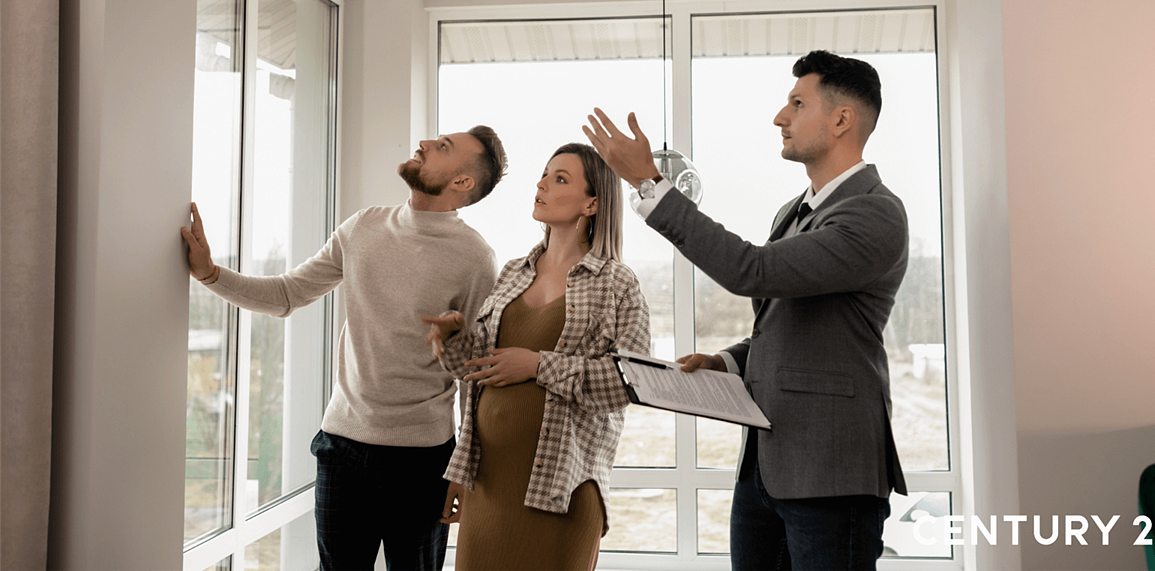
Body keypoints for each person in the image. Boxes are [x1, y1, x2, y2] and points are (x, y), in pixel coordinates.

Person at [583, 50, 909, 571]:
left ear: (842, 119)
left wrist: (651, 185)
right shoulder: (794, 212)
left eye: (797, 103)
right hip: (765, 466)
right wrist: (727, 362)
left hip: (831, 472)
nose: (780, 116)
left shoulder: (875, 213)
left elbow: (750, 271)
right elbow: (790, 324)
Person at [181, 126, 507, 571]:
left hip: (422, 459)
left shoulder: (475, 258)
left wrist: (464, 472)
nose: (425, 144)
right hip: (341, 448)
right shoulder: (364, 226)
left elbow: (474, 375)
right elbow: (288, 293)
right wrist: (210, 274)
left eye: (443, 147)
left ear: (463, 182)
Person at [423, 143, 651, 571]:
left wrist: (537, 365)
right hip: (486, 486)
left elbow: (631, 382)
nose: (542, 184)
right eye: (544, 174)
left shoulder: (618, 284)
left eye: (560, 178)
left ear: (593, 202)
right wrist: (454, 341)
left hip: (561, 493)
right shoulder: (513, 272)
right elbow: (479, 371)